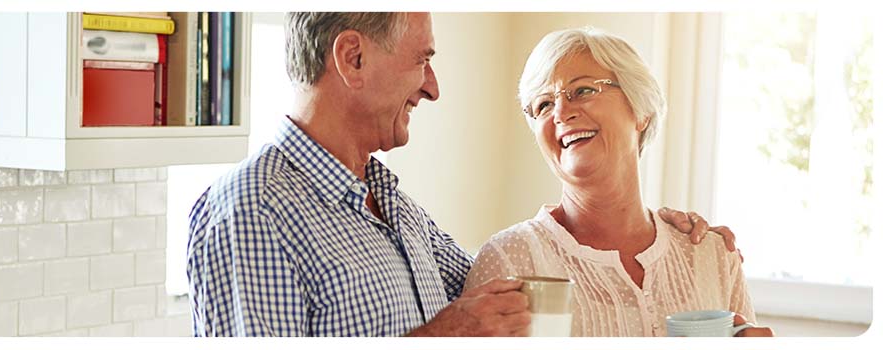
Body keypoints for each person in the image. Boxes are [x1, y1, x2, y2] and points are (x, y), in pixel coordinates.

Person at [187, 13, 731, 337]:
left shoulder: (390, 205)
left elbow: (516, 279)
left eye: (584, 90)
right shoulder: (252, 209)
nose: (432, 87)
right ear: (352, 59)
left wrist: (664, 242)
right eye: (421, 59)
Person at [463, 27, 773, 337]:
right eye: (543, 105)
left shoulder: (712, 255)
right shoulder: (509, 259)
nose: (560, 112)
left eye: (582, 90)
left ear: (641, 111)